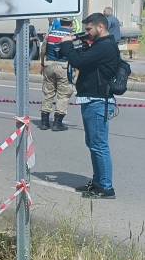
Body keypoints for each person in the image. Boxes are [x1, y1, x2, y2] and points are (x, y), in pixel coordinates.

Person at [60, 12, 121, 199]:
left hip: (98, 101)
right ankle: (97, 183)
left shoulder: (105, 46)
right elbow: (84, 60)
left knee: (99, 145)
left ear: (100, 27)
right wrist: (77, 46)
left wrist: (66, 44)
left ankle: (106, 187)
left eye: (88, 29)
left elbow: (79, 61)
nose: (86, 32)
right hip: (91, 100)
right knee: (93, 143)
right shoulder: (99, 45)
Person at [38, 17, 77, 131]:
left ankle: (44, 122)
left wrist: (42, 63)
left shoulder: (51, 33)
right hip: (63, 66)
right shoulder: (71, 35)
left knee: (48, 93)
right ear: (71, 23)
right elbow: (75, 52)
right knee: (63, 94)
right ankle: (57, 123)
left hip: (48, 65)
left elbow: (43, 49)